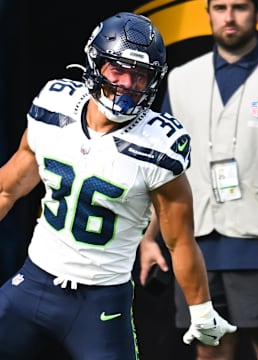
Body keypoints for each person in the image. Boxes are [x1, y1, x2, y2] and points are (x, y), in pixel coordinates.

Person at [0, 12, 237, 360]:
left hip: (100, 305)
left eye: (139, 76)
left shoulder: (158, 145)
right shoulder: (54, 107)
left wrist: (201, 311)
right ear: (96, 64)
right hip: (33, 282)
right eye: (118, 70)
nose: (127, 84)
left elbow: (180, 240)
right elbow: (7, 189)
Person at [139, 0, 258, 359]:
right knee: (211, 349)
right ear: (207, 14)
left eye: (239, 7)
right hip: (195, 243)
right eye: (220, 7)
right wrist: (148, 239)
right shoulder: (180, 79)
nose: (229, 16)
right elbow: (163, 167)